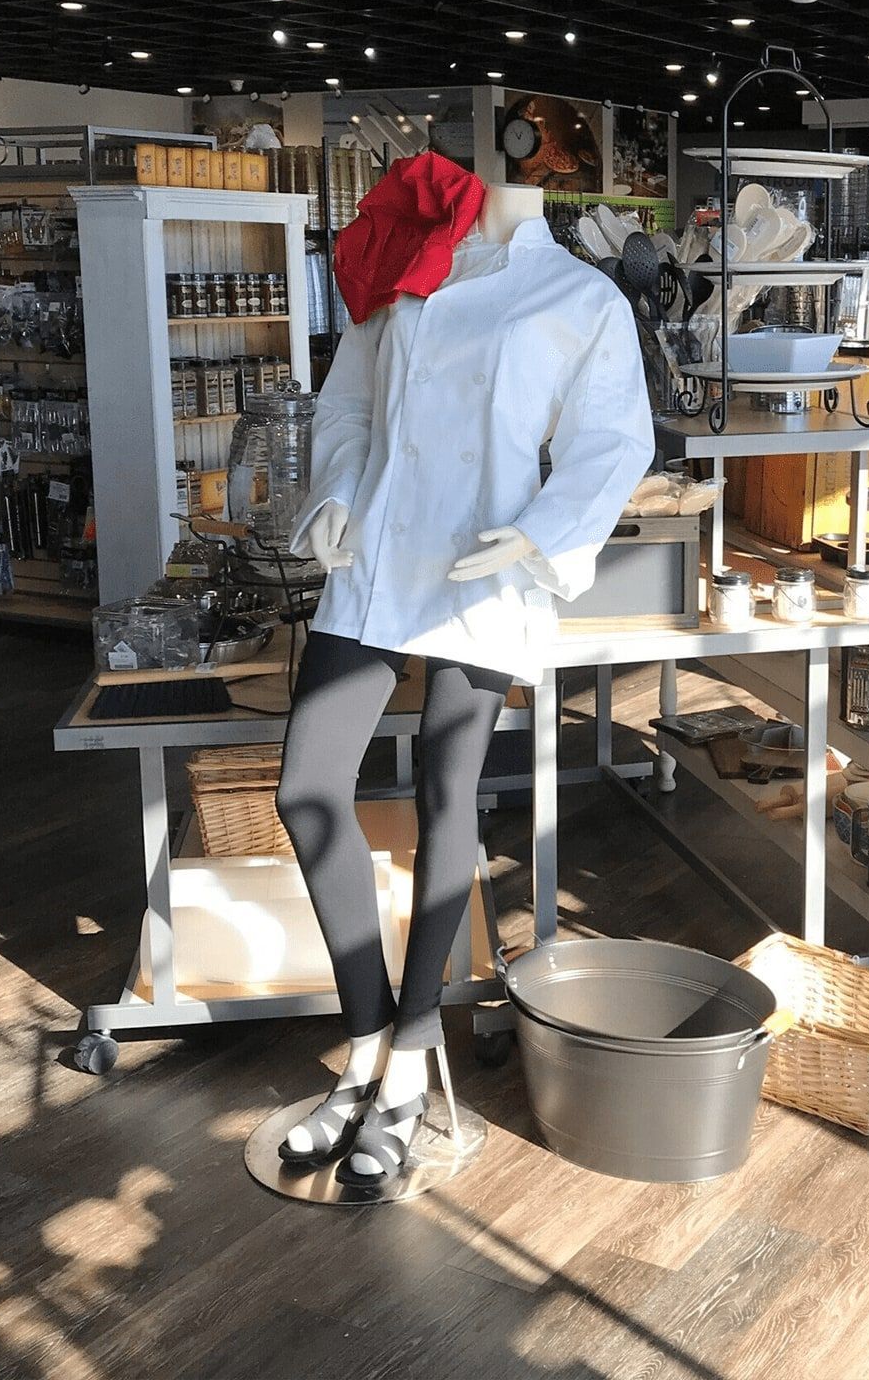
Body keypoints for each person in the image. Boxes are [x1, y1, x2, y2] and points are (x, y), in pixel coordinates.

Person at [273, 152, 653, 1186]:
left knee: (449, 800)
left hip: (487, 562)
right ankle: (364, 1046)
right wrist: (337, 491)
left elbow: (614, 440)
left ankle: (402, 1058)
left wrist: (539, 533)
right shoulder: (407, 270)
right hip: (382, 550)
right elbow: (346, 405)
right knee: (307, 787)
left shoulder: (577, 296)